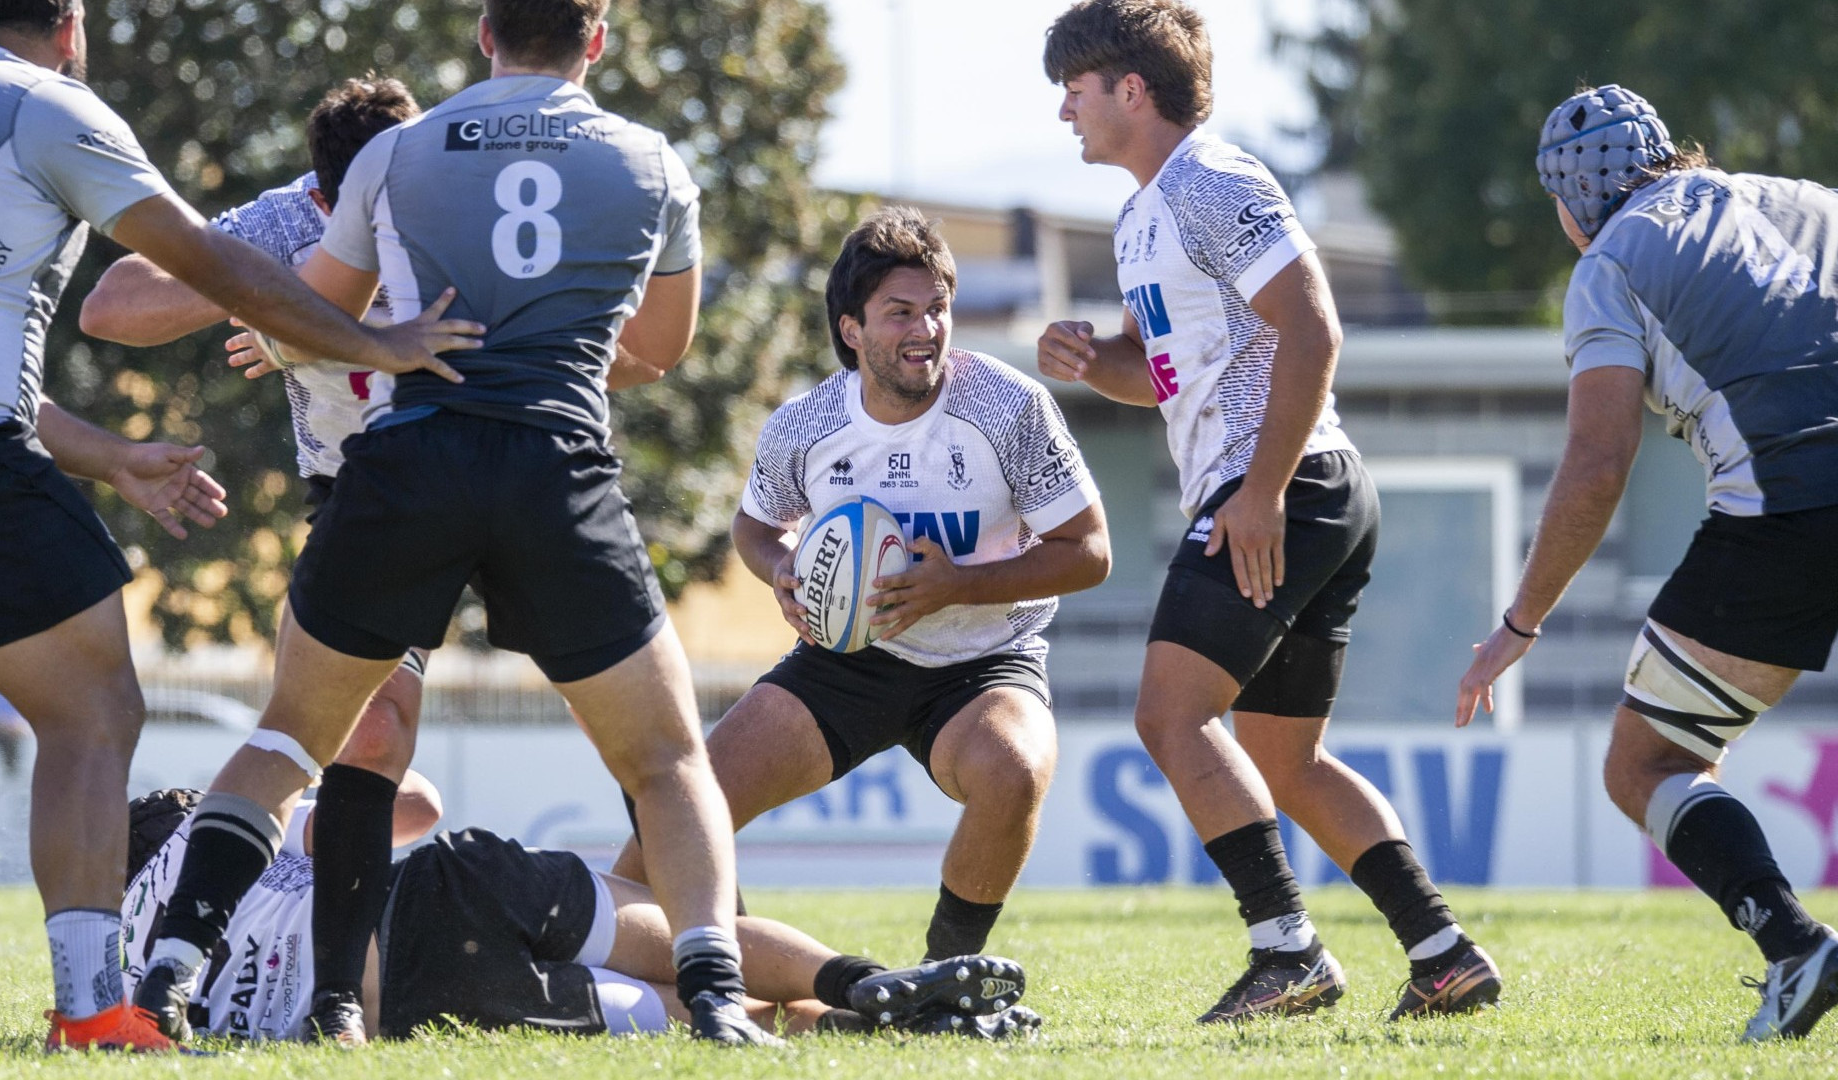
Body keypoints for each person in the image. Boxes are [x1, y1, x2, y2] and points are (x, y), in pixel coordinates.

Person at [129, 0, 766, 1047]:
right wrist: (543, 356)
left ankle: (165, 978)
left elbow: (319, 308)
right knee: (666, 760)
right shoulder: (652, 160)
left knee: (289, 738)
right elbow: (660, 348)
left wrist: (339, 343)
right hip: (553, 465)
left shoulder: (398, 152)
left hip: (409, 464)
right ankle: (718, 999)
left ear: (483, 32)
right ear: (597, 40)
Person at [0, 0, 475, 1052]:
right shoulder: (50, 106)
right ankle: (101, 1008)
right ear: (70, 24)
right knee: (96, 712)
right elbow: (187, 268)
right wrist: (352, 331)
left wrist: (114, 455)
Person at [1036, 0, 1499, 1023]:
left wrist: (1262, 492)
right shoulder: (1140, 214)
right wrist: (1092, 360)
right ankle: (1444, 953)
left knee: (1169, 716)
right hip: (1291, 491)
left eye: (1075, 89)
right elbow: (1161, 375)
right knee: (1287, 760)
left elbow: (1315, 327)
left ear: (1131, 89)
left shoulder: (1213, 178)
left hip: (1286, 489)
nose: (1064, 111)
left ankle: (1286, 950)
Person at [610, 207, 1109, 964]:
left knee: (1014, 771)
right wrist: (782, 569)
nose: (926, 330)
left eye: (938, 308)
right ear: (851, 329)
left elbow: (1090, 552)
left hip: (983, 662)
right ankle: (664, 974)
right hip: (846, 659)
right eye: (900, 312)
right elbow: (754, 527)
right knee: (678, 814)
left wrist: (956, 586)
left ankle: (943, 977)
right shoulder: (804, 425)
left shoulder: (1008, 406)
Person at [1459, 84, 1838, 1042]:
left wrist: (1518, 624)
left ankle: (1795, 947)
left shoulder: (1610, 263)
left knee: (1648, 762)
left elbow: (1598, 462)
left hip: (1787, 511)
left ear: (1574, 200)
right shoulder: (1808, 201)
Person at [79, 76, 436, 1040]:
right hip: (364, 493)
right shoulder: (283, 218)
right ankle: (319, 1000)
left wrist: (304, 324)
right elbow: (111, 307)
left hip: (494, 474)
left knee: (633, 721)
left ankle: (702, 947)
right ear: (323, 198)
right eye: (361, 205)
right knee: (369, 732)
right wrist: (266, 289)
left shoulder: (458, 194)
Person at [122, 782, 1039, 1042]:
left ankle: (865, 1026)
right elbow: (414, 808)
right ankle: (865, 982)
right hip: (446, 888)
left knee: (687, 1017)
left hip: (414, 997)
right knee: (689, 939)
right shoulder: (216, 830)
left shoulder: (130, 981)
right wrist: (327, 778)